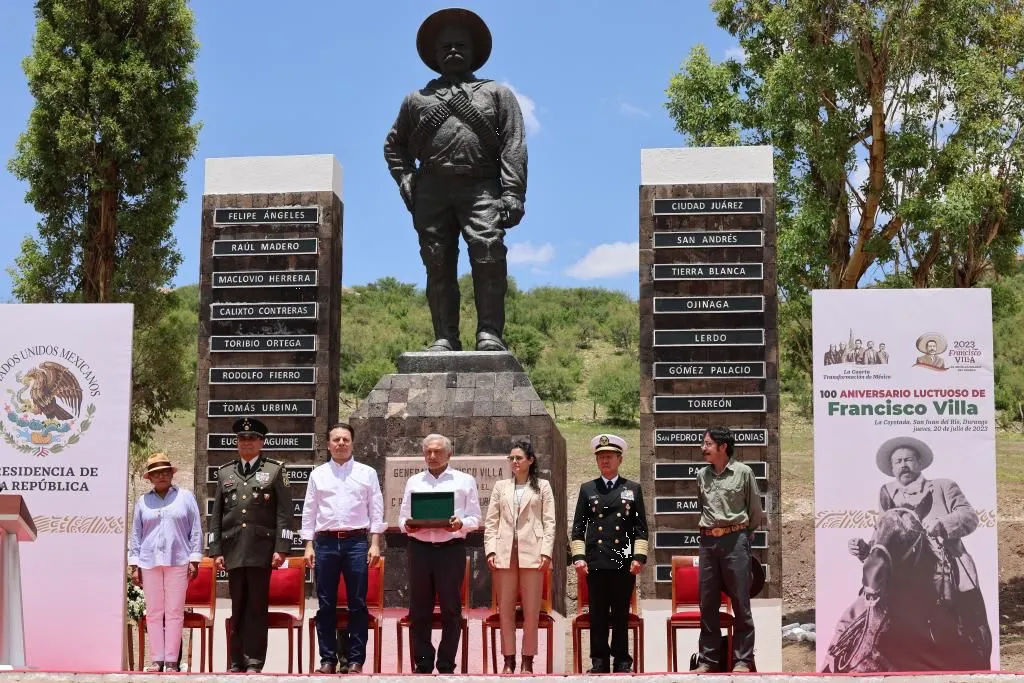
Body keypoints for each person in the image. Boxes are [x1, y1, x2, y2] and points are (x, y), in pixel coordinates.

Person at [384, 7, 527, 352]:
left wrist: (512, 193)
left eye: (460, 45)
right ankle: (445, 336)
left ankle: (490, 333)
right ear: (434, 55)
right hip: (432, 189)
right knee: (437, 261)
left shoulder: (497, 94)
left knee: (490, 255)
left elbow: (513, 143)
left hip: (482, 187)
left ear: (474, 51)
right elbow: (394, 146)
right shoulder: (416, 100)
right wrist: (406, 180)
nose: (452, 51)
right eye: (445, 46)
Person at [845, 436, 990, 669]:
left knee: (967, 607)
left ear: (919, 463)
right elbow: (882, 539)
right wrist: (865, 550)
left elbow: (969, 517)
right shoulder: (887, 494)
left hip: (946, 565)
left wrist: (943, 524)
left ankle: (974, 646)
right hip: (905, 573)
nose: (903, 465)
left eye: (908, 460)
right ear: (892, 469)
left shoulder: (943, 486)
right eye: (898, 462)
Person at [208, 417, 293, 673]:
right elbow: (217, 516)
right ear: (237, 443)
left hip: (261, 551)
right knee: (237, 606)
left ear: (261, 442)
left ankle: (254, 661)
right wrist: (216, 550)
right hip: (233, 550)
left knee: (257, 607)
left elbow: (284, 514)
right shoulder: (225, 472)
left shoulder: (275, 471)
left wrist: (282, 548)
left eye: (252, 439)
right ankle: (236, 661)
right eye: (242, 439)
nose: (246, 443)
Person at [301, 423, 386, 674]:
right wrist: (308, 544)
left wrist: (375, 543)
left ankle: (356, 660)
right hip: (325, 543)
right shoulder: (318, 474)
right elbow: (309, 510)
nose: (340, 443)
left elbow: (376, 509)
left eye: (345, 439)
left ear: (353, 444)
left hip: (357, 543)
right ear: (328, 445)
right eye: (335, 440)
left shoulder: (366, 473)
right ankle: (327, 659)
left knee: (357, 603)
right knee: (325, 603)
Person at [398, 434, 482, 673]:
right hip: (420, 550)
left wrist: (460, 524)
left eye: (437, 452)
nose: (432, 456)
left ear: (449, 454)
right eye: (428, 452)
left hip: (450, 550)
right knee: (419, 609)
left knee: (451, 609)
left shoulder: (464, 481)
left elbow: (475, 518)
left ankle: (446, 663)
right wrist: (407, 525)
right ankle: (423, 662)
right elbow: (402, 516)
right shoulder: (414, 481)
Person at [570, 434, 648, 674]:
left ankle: (622, 661)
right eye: (601, 457)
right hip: (596, 562)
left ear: (620, 459)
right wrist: (579, 557)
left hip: (623, 561)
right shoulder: (587, 489)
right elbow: (578, 529)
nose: (605, 461)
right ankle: (599, 661)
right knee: (599, 614)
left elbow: (640, 528)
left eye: (609, 457)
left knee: (621, 614)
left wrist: (639, 557)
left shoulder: (632, 489)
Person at [692, 427, 764, 673]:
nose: (703, 448)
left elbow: (755, 511)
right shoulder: (702, 475)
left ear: (723, 447)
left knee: (741, 602)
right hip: (708, 543)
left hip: (735, 541)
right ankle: (708, 660)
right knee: (708, 602)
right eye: (704, 443)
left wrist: (741, 534)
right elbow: (702, 507)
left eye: (708, 443)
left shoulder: (744, 473)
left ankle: (742, 660)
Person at [483, 440, 556, 674]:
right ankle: (508, 658)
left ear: (530, 460)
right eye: (511, 458)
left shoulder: (542, 486)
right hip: (504, 552)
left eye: (519, 458)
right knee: (505, 608)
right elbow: (492, 521)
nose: (514, 462)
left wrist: (546, 551)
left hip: (533, 551)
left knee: (532, 608)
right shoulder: (501, 487)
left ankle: (527, 659)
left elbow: (549, 522)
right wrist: (490, 550)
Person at [128, 453, 202, 673]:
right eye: (155, 473)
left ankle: (171, 661)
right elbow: (136, 534)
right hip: (149, 561)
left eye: (164, 472)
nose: (160, 476)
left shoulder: (185, 497)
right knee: (153, 611)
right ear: (149, 478)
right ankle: (157, 660)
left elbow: (195, 529)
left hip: (178, 559)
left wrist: (195, 558)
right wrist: (134, 564)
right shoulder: (143, 501)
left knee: (174, 611)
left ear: (171, 474)